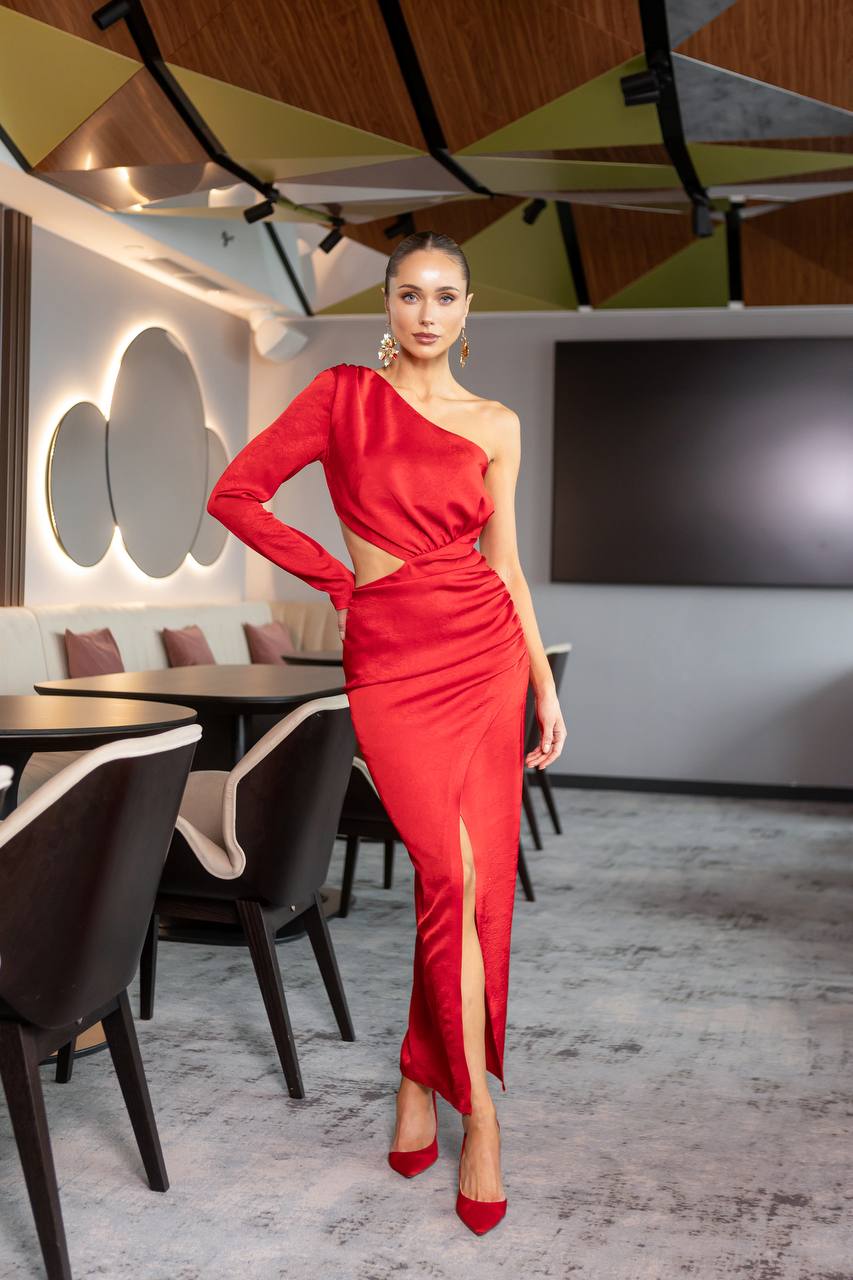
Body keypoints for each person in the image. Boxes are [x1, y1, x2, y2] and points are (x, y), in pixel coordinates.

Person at [206, 230, 566, 1235]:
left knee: (474, 882)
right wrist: (337, 577)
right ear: (387, 304)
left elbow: (505, 561)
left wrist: (541, 680)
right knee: (448, 878)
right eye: (409, 293)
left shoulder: (496, 422)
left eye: (444, 295)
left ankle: (431, 1079)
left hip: (486, 654)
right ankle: (475, 1107)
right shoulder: (338, 397)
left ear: (465, 311)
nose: (425, 312)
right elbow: (233, 493)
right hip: (396, 661)